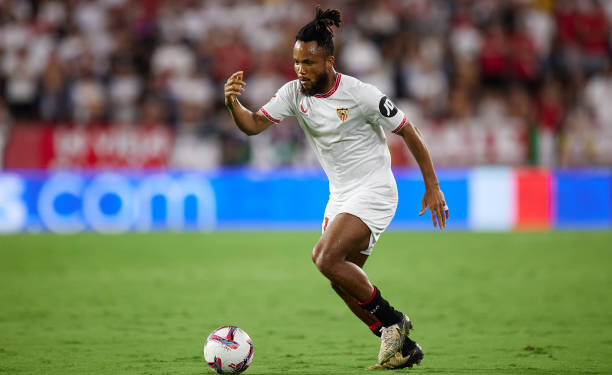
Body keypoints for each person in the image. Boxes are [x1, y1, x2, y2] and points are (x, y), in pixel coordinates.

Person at [223, 6, 448, 370]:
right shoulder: (293, 94)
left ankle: (393, 321)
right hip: (340, 195)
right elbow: (251, 125)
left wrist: (432, 185)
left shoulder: (360, 95)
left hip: (375, 190)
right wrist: (233, 103)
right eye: (296, 62)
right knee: (339, 278)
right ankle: (402, 347)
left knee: (324, 258)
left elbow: (408, 129)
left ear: (329, 61)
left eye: (308, 63)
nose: (300, 70)